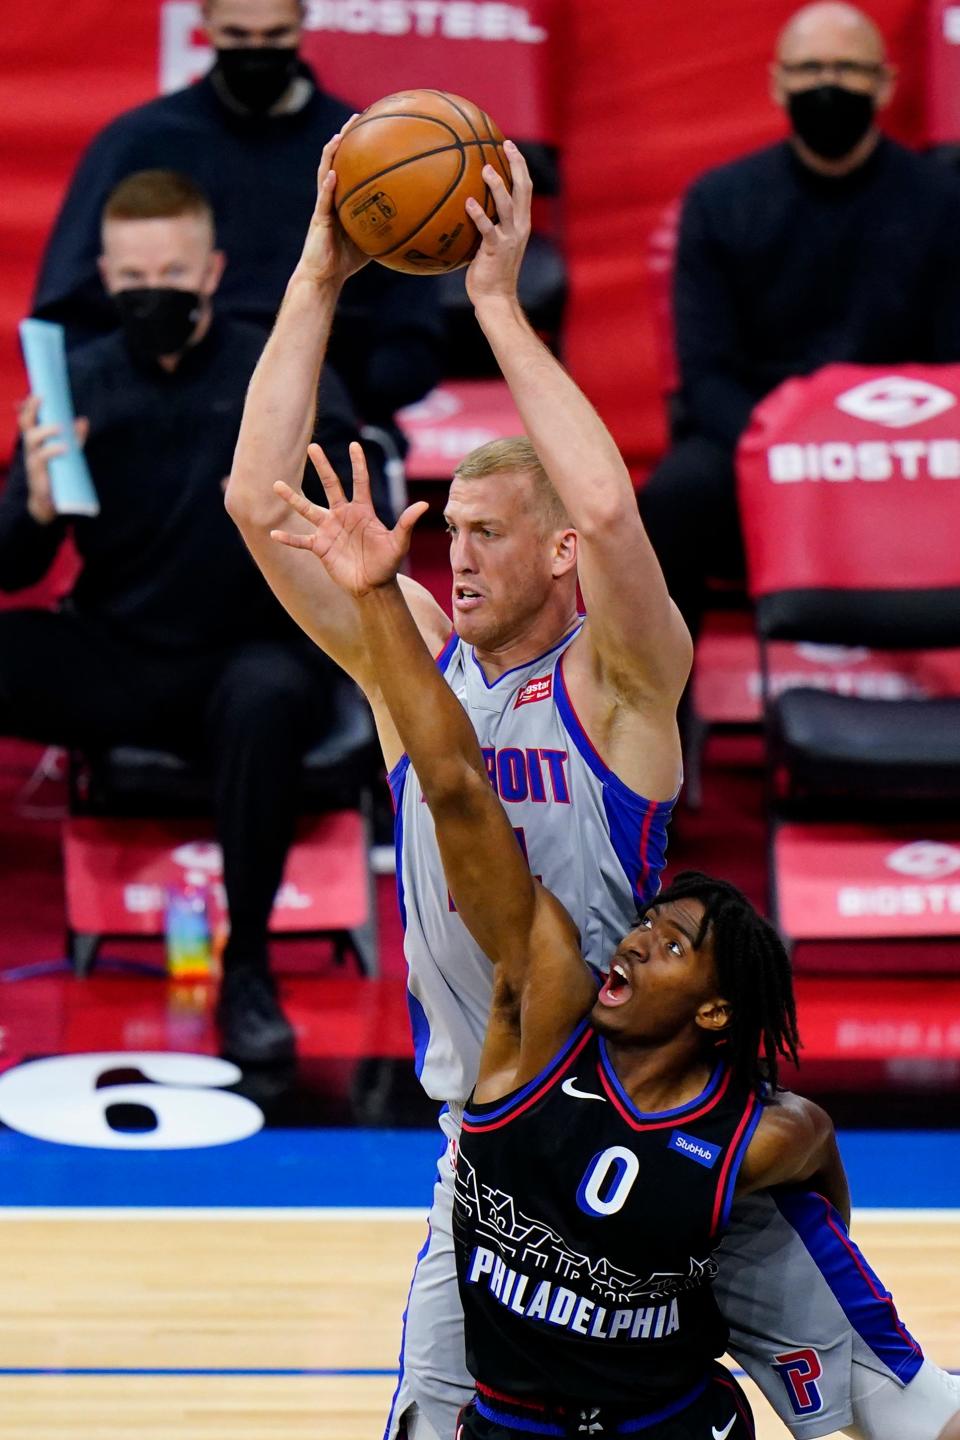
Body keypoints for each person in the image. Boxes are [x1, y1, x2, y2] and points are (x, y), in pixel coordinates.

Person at [226, 127, 960, 1440]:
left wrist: (497, 306)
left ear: (556, 552)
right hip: (499, 1141)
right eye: (444, 529)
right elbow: (252, 497)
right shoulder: (416, 667)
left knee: (899, 1415)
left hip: (652, 1106)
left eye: (484, 533)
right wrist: (319, 272)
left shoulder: (622, 686)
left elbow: (620, 519)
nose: (449, 554)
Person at [1, 168, 363, 1065]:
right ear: (106, 278)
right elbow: (14, 568)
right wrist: (35, 507)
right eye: (130, 280)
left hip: (256, 653)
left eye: (170, 273)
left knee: (263, 695)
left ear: (211, 271)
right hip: (121, 650)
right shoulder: (77, 382)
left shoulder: (275, 369)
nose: (149, 293)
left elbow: (349, 529)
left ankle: (247, 971)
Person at [639, 0, 960, 638]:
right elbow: (706, 378)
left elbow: (952, 367)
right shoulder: (719, 201)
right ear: (778, 82)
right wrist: (791, 449)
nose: (826, 86)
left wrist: (871, 450)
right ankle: (661, 728)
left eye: (848, 69)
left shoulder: (943, 203)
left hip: (909, 449)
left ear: (885, 84)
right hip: (761, 444)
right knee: (672, 501)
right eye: (809, 68)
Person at [32, 0, 443, 445]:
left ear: (302, 23)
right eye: (238, 36)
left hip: (322, 414)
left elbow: (410, 333)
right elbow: (64, 317)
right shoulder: (139, 144)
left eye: (274, 36)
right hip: (156, 419)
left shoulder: (363, 155)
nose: (256, 51)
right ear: (205, 24)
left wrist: (333, 393)